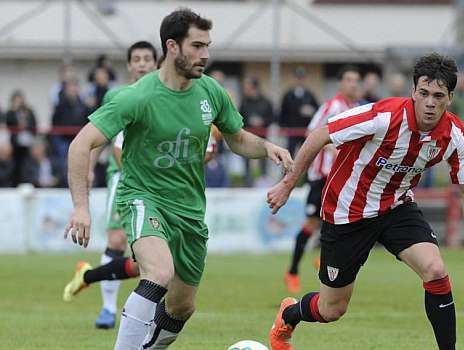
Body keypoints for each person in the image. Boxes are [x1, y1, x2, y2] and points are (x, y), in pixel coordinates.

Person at [63, 8, 292, 349]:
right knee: (157, 273)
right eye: (197, 46)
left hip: (189, 210)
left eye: (207, 46)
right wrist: (81, 207)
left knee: (182, 305)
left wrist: (266, 147)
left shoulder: (210, 91)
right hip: (143, 197)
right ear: (172, 47)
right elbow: (81, 144)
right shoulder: (138, 96)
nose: (206, 54)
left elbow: (237, 137)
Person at [267, 53, 464, 350]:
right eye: (424, 94)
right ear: (413, 92)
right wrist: (287, 185)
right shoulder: (383, 117)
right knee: (332, 309)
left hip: (396, 206)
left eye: (438, 95)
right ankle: (290, 314)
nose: (430, 103)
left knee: (435, 270)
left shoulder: (454, 135)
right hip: (348, 211)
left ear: (450, 97)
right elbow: (320, 135)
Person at [62, 41, 158, 329]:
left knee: (150, 256)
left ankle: (92, 278)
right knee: (117, 241)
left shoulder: (165, 95)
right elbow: (99, 135)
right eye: (136, 59)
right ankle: (107, 310)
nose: (141, 63)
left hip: (158, 183)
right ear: (129, 65)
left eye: (147, 59)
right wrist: (89, 170)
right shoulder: (118, 95)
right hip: (123, 176)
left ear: (156, 63)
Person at [284, 65, 361, 294]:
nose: (353, 84)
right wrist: (331, 150)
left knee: (343, 221)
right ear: (340, 83)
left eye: (356, 80)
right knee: (310, 223)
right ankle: (293, 271)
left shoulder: (356, 108)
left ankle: (323, 258)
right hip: (322, 176)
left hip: (342, 176)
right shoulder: (331, 107)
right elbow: (311, 133)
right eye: (349, 79)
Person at [279, 66, 319, 156]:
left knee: (305, 155)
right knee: (290, 154)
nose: (299, 80)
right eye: (297, 77)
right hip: (291, 130)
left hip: (305, 130)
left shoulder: (310, 95)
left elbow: (318, 111)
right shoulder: (288, 95)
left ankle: (305, 171)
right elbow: (282, 112)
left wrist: (311, 111)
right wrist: (283, 126)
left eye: (301, 77)